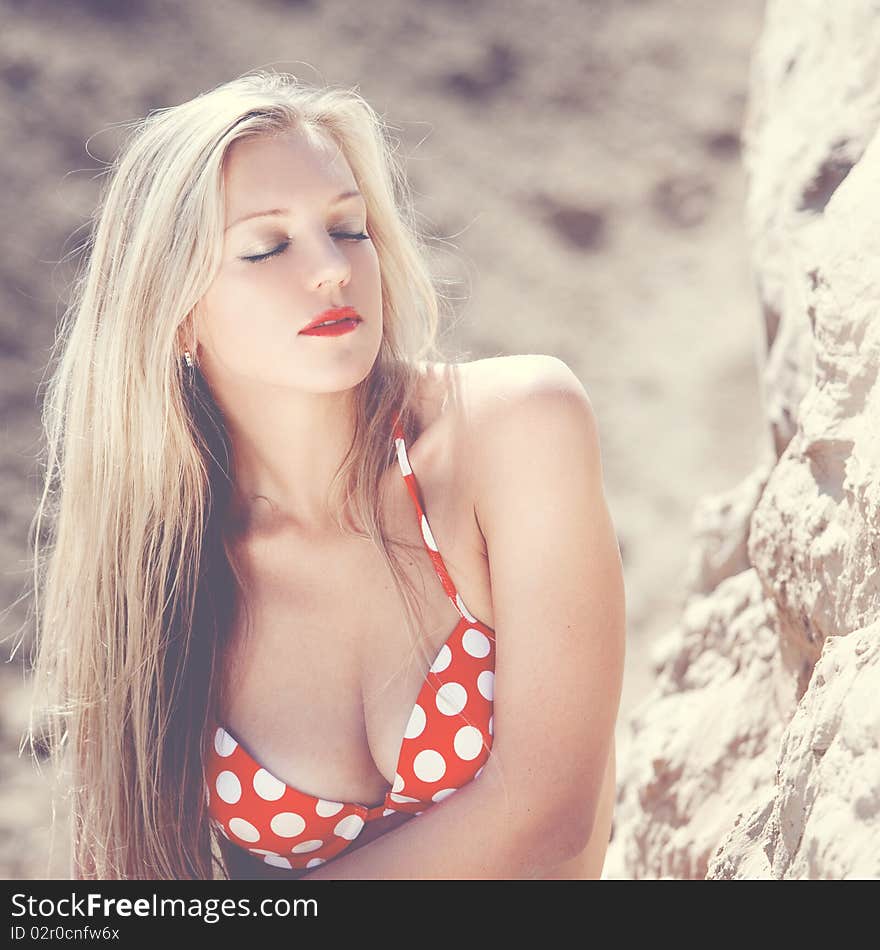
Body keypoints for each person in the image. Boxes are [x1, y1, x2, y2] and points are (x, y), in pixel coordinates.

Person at [25, 69, 626, 880]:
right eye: (267, 246)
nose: (331, 270)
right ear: (177, 316)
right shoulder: (153, 577)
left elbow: (549, 818)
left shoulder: (514, 426)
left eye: (349, 229)